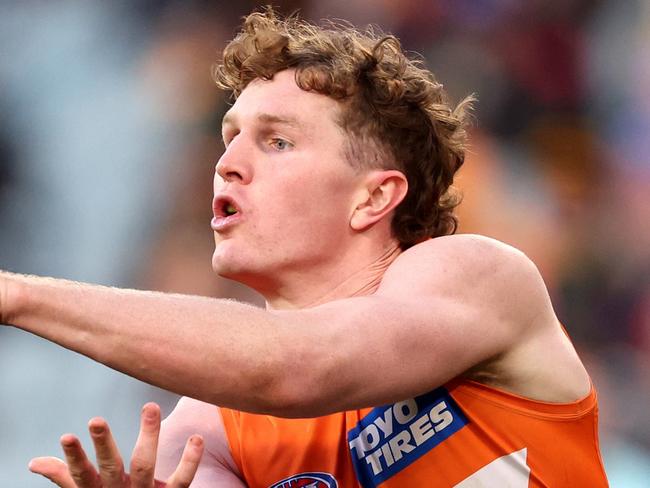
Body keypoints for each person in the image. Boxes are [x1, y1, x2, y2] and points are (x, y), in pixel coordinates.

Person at [0, 8, 608, 488]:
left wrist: (19, 295)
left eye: (278, 142)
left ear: (372, 199)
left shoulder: (478, 275)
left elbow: (298, 368)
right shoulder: (207, 426)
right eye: (229, 137)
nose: (227, 165)